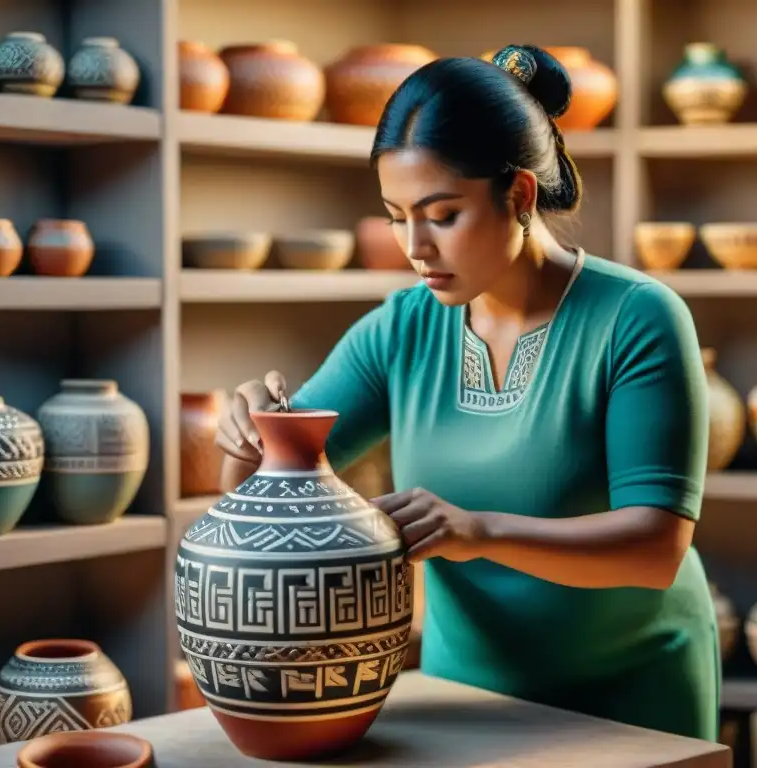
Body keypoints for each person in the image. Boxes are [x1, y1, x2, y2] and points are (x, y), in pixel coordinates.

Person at [214, 44, 718, 742]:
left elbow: (656, 545)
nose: (414, 246)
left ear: (518, 195)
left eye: (441, 214)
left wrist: (476, 531)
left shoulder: (636, 317)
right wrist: (249, 435)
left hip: (629, 701)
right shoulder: (400, 330)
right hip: (463, 698)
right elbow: (268, 489)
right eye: (396, 215)